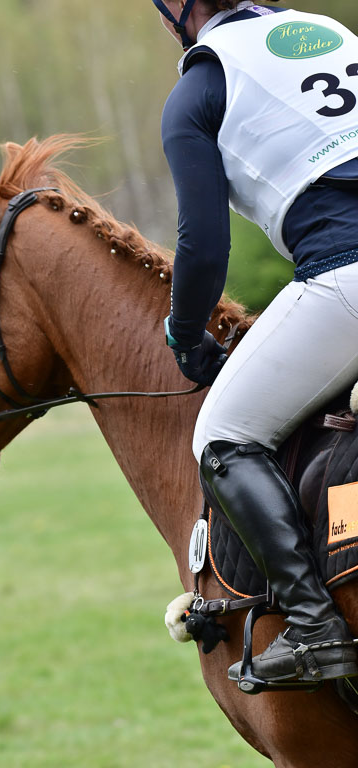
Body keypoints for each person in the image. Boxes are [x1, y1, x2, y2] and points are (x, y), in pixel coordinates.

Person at [155, 0, 358, 685]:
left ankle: (313, 628)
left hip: (346, 272)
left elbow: (203, 247)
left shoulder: (199, 88)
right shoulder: (329, 32)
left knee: (223, 434)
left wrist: (185, 333)